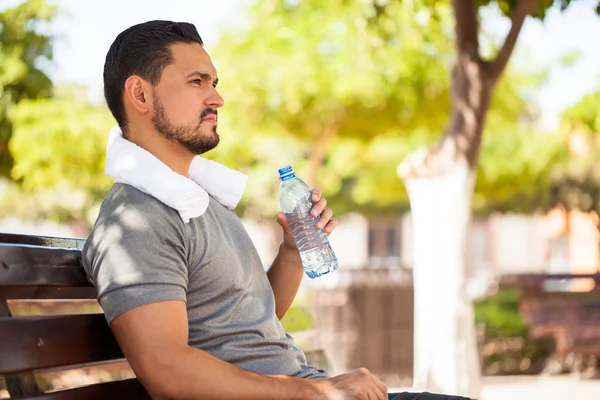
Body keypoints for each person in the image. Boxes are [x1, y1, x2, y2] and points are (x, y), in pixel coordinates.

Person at [82, 20, 470, 400]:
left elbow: (251, 321)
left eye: (214, 83)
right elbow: (167, 371)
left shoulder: (196, 199)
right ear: (141, 94)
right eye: (196, 82)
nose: (217, 98)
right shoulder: (137, 219)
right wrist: (316, 391)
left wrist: (292, 253)